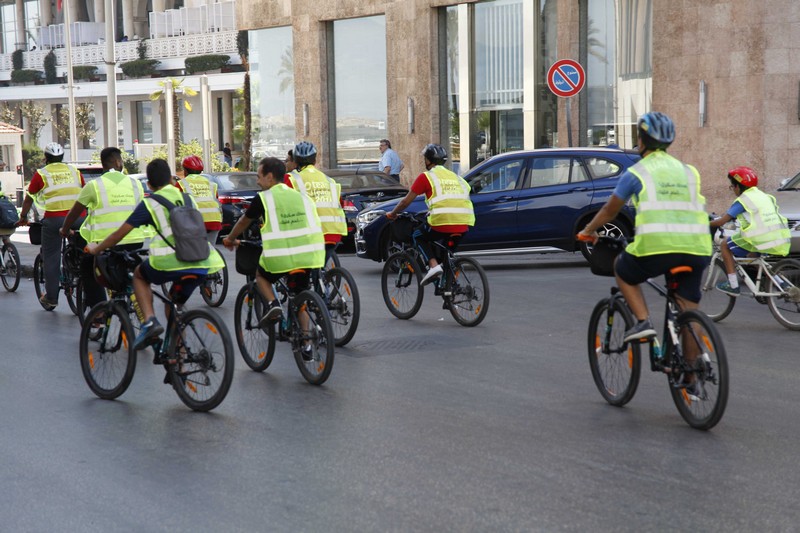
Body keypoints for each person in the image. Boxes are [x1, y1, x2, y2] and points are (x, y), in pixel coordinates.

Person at [578, 112, 712, 345]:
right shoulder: (690, 171)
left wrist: (588, 231)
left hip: (657, 247)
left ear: (641, 140)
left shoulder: (637, 172)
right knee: (690, 315)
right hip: (698, 247)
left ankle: (643, 322)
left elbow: (610, 210)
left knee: (622, 270)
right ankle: (692, 375)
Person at [85, 158, 224, 350]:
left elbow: (118, 235)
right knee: (174, 306)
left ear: (149, 185)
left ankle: (149, 321)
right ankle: (179, 358)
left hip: (169, 261)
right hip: (202, 262)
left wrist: (96, 248)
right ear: (172, 179)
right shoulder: (188, 198)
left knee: (140, 276)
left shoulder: (150, 203)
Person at [222, 157, 325, 359]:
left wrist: (230, 238)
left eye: (259, 177)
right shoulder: (302, 197)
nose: (258, 182)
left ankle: (272, 305)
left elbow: (244, 221)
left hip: (281, 257)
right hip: (311, 254)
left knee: (261, 277)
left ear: (270, 177)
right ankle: (306, 346)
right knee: (299, 296)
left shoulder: (265, 198)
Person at [60, 147, 148, 310]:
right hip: (136, 240)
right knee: (132, 272)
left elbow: (74, 212)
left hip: (106, 243)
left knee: (88, 266)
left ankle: (98, 313)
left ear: (103, 164)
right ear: (117, 162)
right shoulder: (136, 184)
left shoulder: (94, 186)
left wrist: (64, 229)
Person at [386, 143, 475, 286]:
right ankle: (448, 287)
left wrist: (392, 213)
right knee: (447, 255)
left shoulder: (427, 177)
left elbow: (405, 202)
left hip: (442, 223)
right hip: (464, 224)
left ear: (428, 160)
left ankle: (433, 266)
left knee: (418, 236)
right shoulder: (458, 178)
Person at [17, 142, 85, 310]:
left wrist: (23, 216)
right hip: (80, 218)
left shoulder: (42, 174)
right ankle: (80, 275)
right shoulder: (75, 172)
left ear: (46, 158)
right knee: (84, 254)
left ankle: (51, 298)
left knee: (52, 256)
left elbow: (29, 198)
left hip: (55, 219)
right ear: (62, 158)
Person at [709, 166, 790, 295]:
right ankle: (782, 283)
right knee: (753, 256)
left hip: (759, 237)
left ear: (738, 186)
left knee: (725, 245)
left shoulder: (743, 200)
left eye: (732, 186)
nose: (733, 189)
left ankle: (733, 285)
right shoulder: (764, 196)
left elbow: (721, 222)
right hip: (778, 236)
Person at [285, 141, 347, 264]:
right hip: (335, 231)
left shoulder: (291, 179)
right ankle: (321, 279)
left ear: (295, 161)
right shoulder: (329, 180)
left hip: (309, 233)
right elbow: (340, 203)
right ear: (314, 161)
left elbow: (281, 203)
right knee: (318, 267)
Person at [177, 155, 222, 244]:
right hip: (214, 221)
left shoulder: (181, 184)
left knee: (194, 251)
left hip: (194, 222)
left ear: (185, 170)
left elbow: (176, 205)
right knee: (210, 250)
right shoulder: (211, 184)